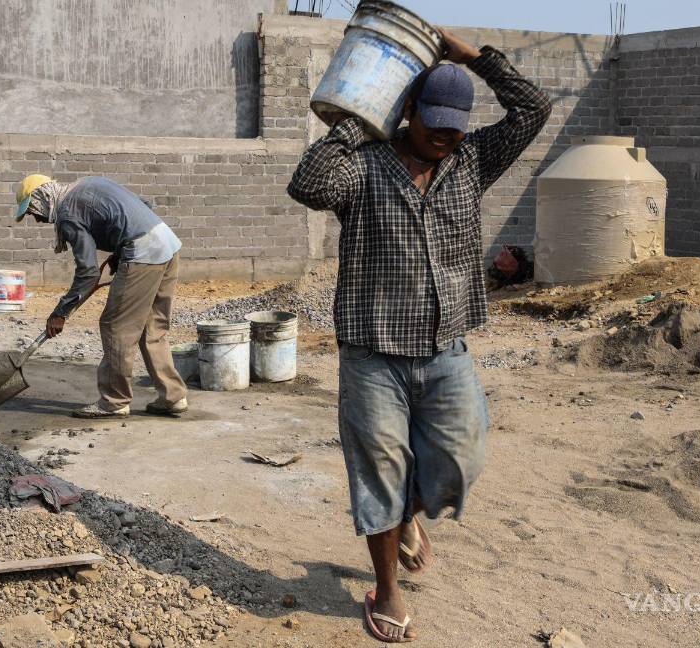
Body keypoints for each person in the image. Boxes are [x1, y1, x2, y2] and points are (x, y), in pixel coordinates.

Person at [286, 27, 551, 643]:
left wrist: (473, 58)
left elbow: (534, 107)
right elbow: (307, 183)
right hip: (373, 356)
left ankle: (408, 517)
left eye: (456, 124)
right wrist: (362, 114)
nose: (446, 135)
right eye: (434, 121)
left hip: (446, 350)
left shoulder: (473, 160)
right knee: (380, 471)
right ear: (408, 109)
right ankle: (387, 588)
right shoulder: (364, 168)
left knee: (460, 464)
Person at [14, 174, 189, 419]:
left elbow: (88, 272)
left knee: (116, 326)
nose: (36, 218)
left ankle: (114, 401)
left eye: (32, 210)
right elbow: (142, 205)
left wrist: (60, 313)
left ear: (41, 198)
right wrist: (120, 249)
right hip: (167, 243)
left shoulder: (68, 213)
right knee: (152, 328)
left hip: (143, 254)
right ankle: (173, 397)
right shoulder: (87, 183)